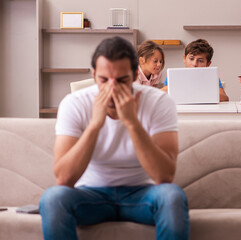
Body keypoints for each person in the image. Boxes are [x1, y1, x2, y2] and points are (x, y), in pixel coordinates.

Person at [39, 36, 189, 240]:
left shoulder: (159, 102)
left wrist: (131, 122)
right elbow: (64, 178)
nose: (112, 88)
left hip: (142, 194)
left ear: (134, 74)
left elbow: (164, 177)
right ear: (94, 74)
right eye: (103, 80)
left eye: (122, 80)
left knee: (172, 196)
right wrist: (94, 126)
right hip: (90, 195)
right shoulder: (74, 103)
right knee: (53, 198)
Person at [161, 39, 229, 102]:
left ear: (208, 64)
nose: (194, 64)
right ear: (184, 59)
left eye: (200, 61)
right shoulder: (175, 75)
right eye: (191, 59)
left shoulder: (211, 77)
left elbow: (225, 98)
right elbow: (161, 94)